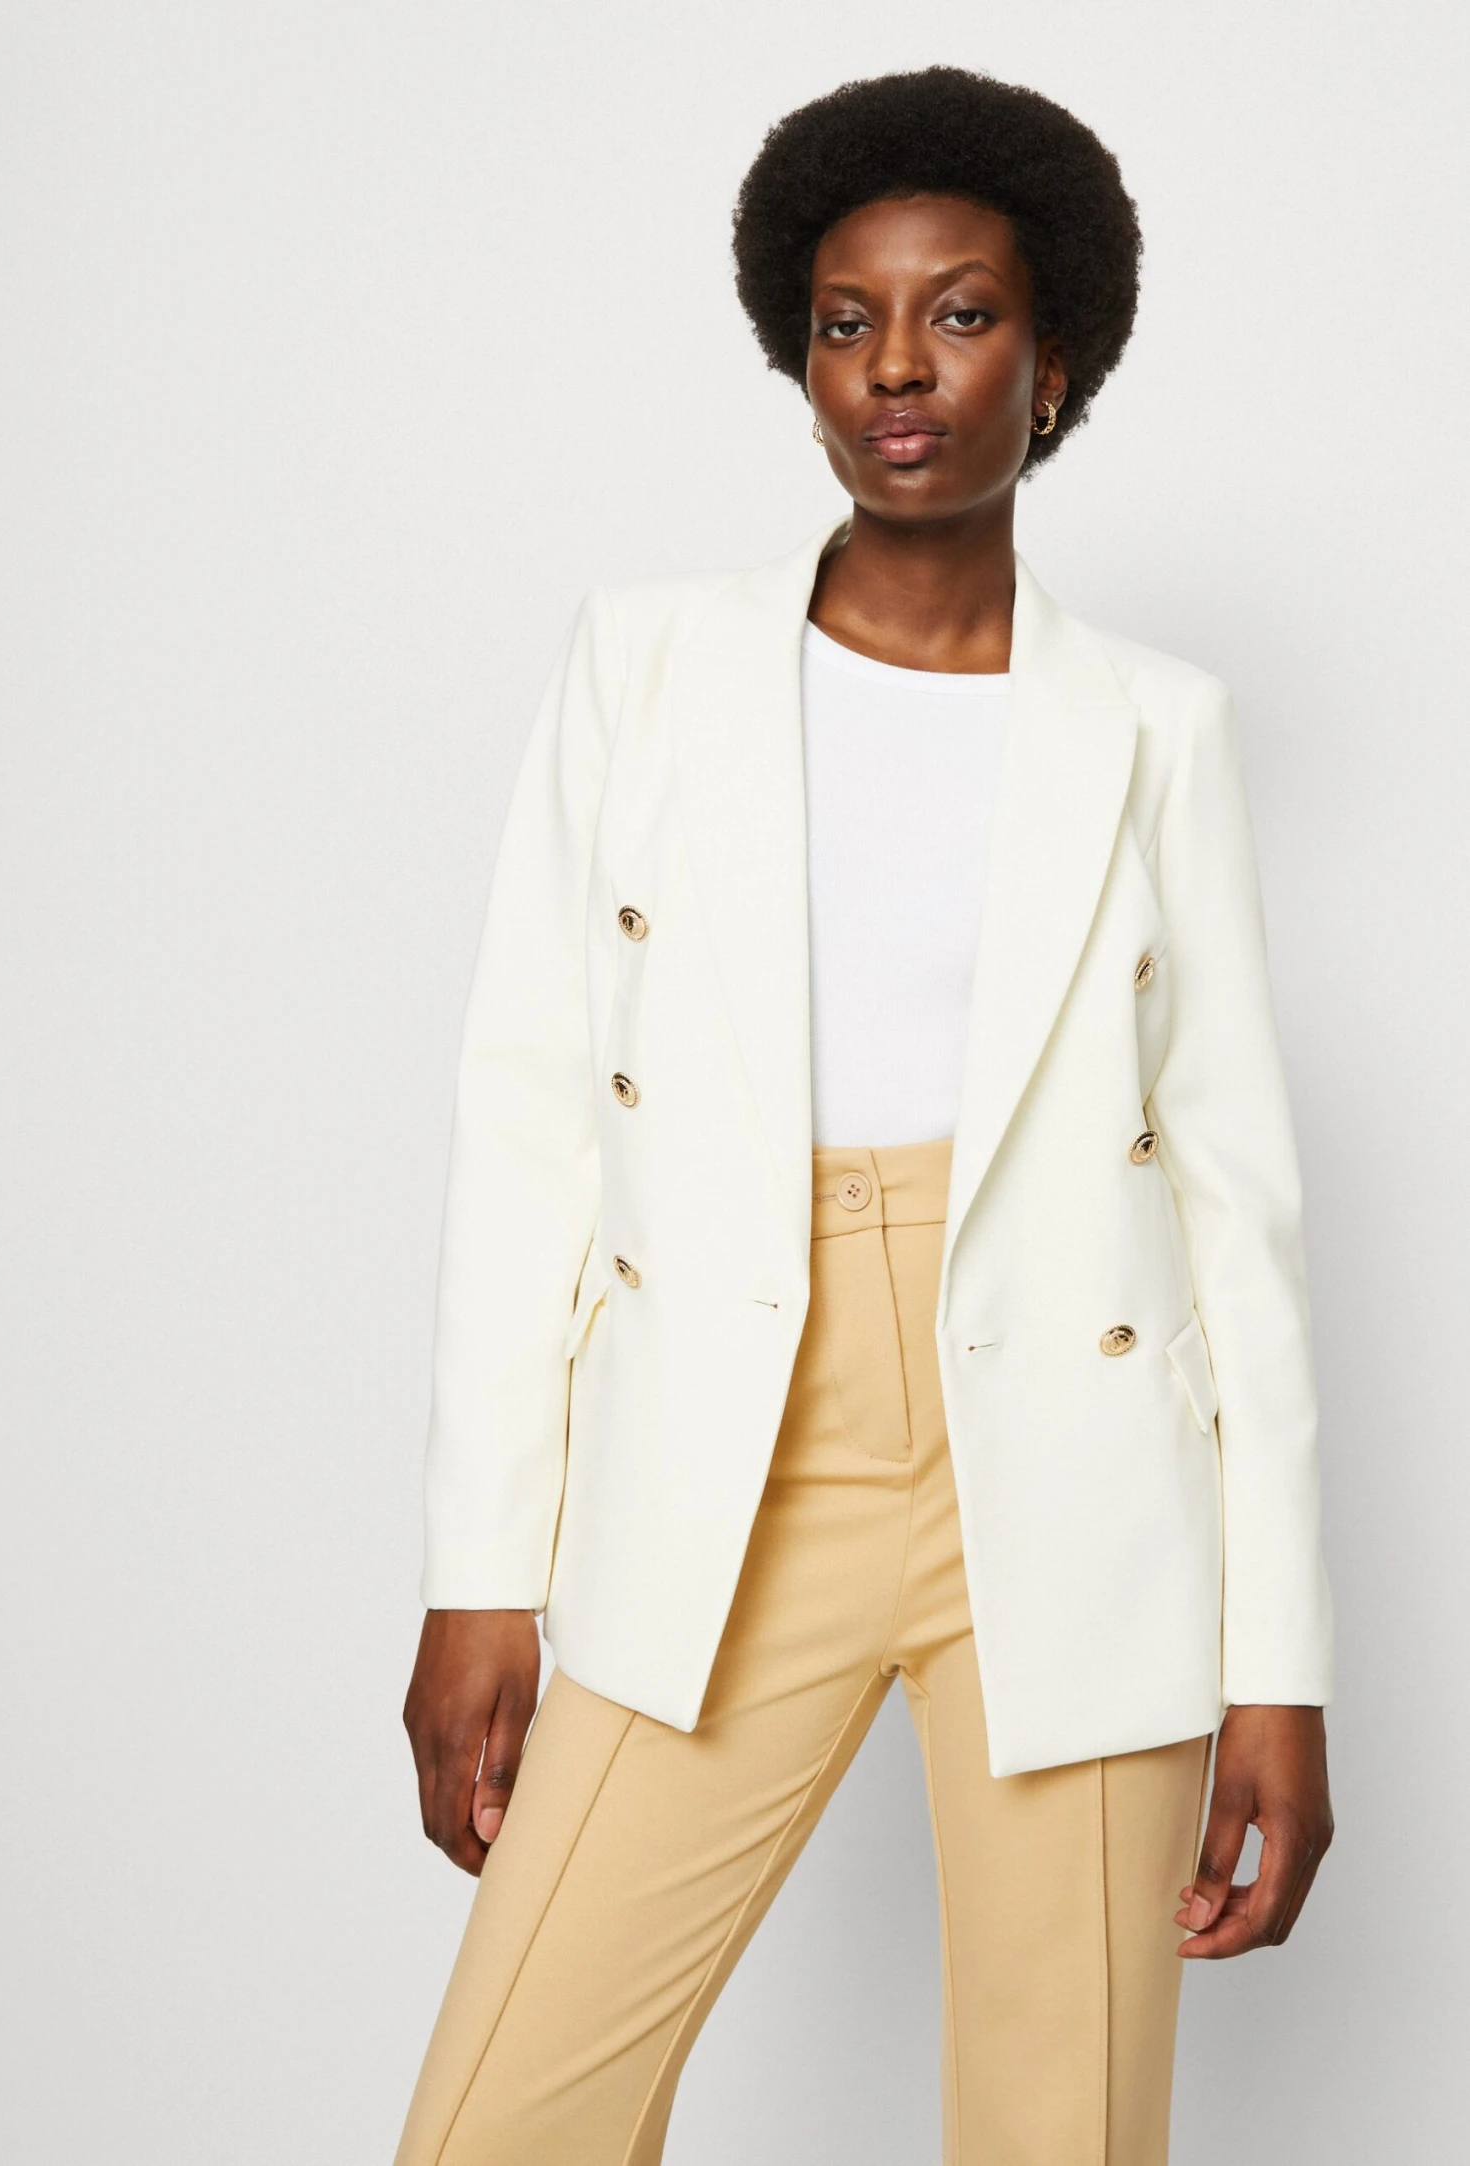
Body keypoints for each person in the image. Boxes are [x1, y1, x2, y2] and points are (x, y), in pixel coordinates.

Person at [393, 65, 1335, 2166]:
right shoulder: (642, 667)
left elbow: (1238, 1214)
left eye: (961, 314)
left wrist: (1280, 1665)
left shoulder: (1157, 730)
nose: (899, 365)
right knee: (502, 2124)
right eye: (849, 320)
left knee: (1062, 2133)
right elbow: (530, 1124)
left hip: (1077, 1463)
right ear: (800, 355)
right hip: (732, 1432)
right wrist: (481, 1566)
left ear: (1055, 360)